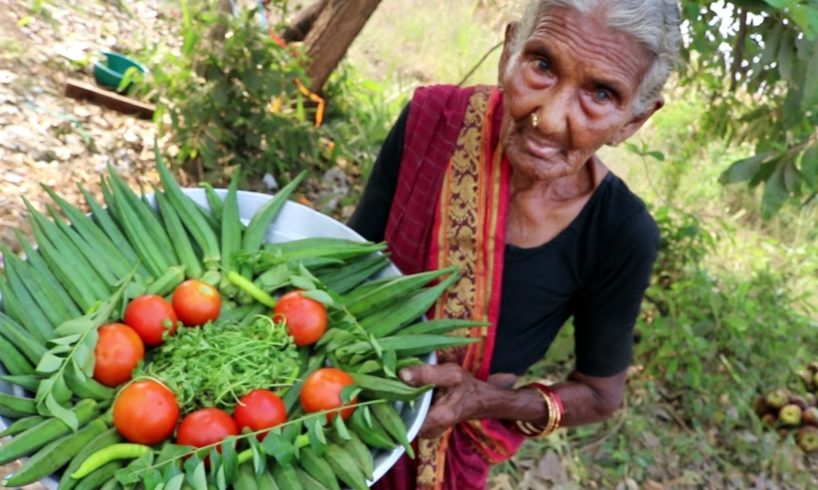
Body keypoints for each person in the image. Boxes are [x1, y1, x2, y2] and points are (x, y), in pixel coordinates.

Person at [348, 0, 683, 488]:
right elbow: (350, 263)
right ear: (510, 52)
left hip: (444, 461)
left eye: (602, 94)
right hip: (330, 404)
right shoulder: (434, 122)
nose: (548, 120)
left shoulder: (620, 234)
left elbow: (599, 394)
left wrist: (487, 400)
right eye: (542, 65)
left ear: (633, 121)